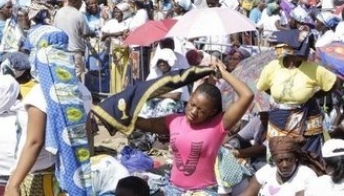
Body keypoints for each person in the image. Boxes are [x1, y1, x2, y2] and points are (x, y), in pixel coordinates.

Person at [134, 58, 254, 195]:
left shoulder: (218, 125)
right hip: (173, 189)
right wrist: (123, 118)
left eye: (201, 110)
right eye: (192, 104)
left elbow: (247, 95)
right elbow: (147, 124)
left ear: (212, 112)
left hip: (202, 191)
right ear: (189, 98)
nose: (194, 112)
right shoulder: (174, 121)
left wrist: (223, 72)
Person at [5, 26, 94, 196]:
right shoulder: (82, 91)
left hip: (35, 175)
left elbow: (34, 142)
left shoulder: (40, 94)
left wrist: (14, 184)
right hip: (66, 175)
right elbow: (87, 136)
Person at [256, 29, 337, 157]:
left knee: (308, 156)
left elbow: (332, 83)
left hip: (307, 121)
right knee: (281, 155)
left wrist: (316, 95)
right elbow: (264, 86)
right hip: (279, 120)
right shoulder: (272, 67)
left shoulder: (314, 69)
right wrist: (282, 97)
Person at [241, 136, 317, 196]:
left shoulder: (306, 175)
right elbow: (248, 193)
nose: (285, 165)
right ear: (274, 160)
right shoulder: (267, 170)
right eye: (280, 161)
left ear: (296, 158)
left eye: (288, 159)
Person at [53, 0, 93, 81]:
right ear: (75, 2)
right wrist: (93, 33)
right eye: (80, 2)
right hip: (75, 53)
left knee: (64, 77)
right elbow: (85, 32)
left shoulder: (59, 12)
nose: (81, 4)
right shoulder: (78, 15)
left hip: (61, 52)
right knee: (77, 78)